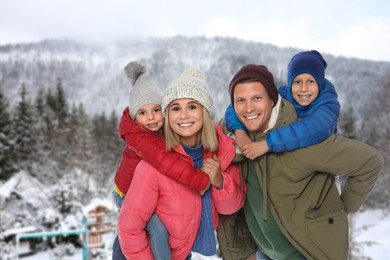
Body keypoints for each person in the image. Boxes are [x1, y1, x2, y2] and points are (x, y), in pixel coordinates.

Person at [217, 64, 384, 260]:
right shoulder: (234, 141)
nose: (249, 108)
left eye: (257, 98)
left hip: (308, 253)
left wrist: (344, 208)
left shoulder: (301, 139)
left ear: (272, 100)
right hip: (265, 253)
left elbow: (370, 162)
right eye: (241, 101)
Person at [117, 68, 246, 259]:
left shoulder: (221, 153)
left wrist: (220, 182)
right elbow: (129, 228)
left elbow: (232, 206)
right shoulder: (155, 164)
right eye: (176, 108)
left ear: (205, 112)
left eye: (192, 107)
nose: (184, 115)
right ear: (168, 115)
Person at [112, 61, 211, 260]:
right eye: (142, 113)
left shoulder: (160, 133)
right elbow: (165, 161)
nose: (151, 118)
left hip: (139, 194)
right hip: (124, 192)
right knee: (156, 229)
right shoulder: (139, 138)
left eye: (156, 110)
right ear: (134, 117)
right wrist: (199, 179)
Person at [224, 50, 340, 160]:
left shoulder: (329, 105)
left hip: (320, 161)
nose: (303, 89)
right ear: (290, 83)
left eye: (310, 81)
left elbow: (311, 128)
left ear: (319, 82)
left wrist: (267, 144)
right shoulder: (284, 94)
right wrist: (239, 130)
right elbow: (234, 108)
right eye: (297, 82)